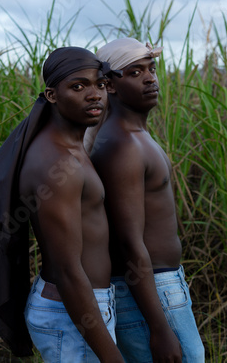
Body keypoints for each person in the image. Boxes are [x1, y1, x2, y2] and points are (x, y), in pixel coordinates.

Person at [0, 47, 125, 363]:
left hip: (83, 307)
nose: (94, 95)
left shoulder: (71, 143)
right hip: (72, 314)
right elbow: (68, 271)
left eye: (100, 85)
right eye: (78, 86)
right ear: (52, 94)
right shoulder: (57, 165)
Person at [88, 38, 205, 363]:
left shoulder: (134, 136)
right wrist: (159, 328)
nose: (151, 78)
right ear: (109, 84)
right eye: (135, 72)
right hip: (150, 290)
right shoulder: (124, 146)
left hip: (161, 286)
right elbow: (128, 242)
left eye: (151, 69)